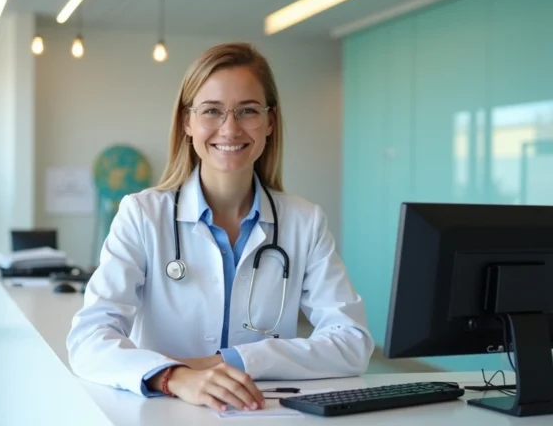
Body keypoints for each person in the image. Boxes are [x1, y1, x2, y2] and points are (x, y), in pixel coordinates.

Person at [66, 42, 374, 412]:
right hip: (164, 413)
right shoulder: (143, 215)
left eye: (247, 111)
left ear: (270, 121)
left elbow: (352, 343)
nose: (230, 129)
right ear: (187, 121)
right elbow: (88, 340)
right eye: (212, 111)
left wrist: (231, 361)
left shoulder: (304, 222)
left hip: (263, 413)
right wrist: (175, 376)